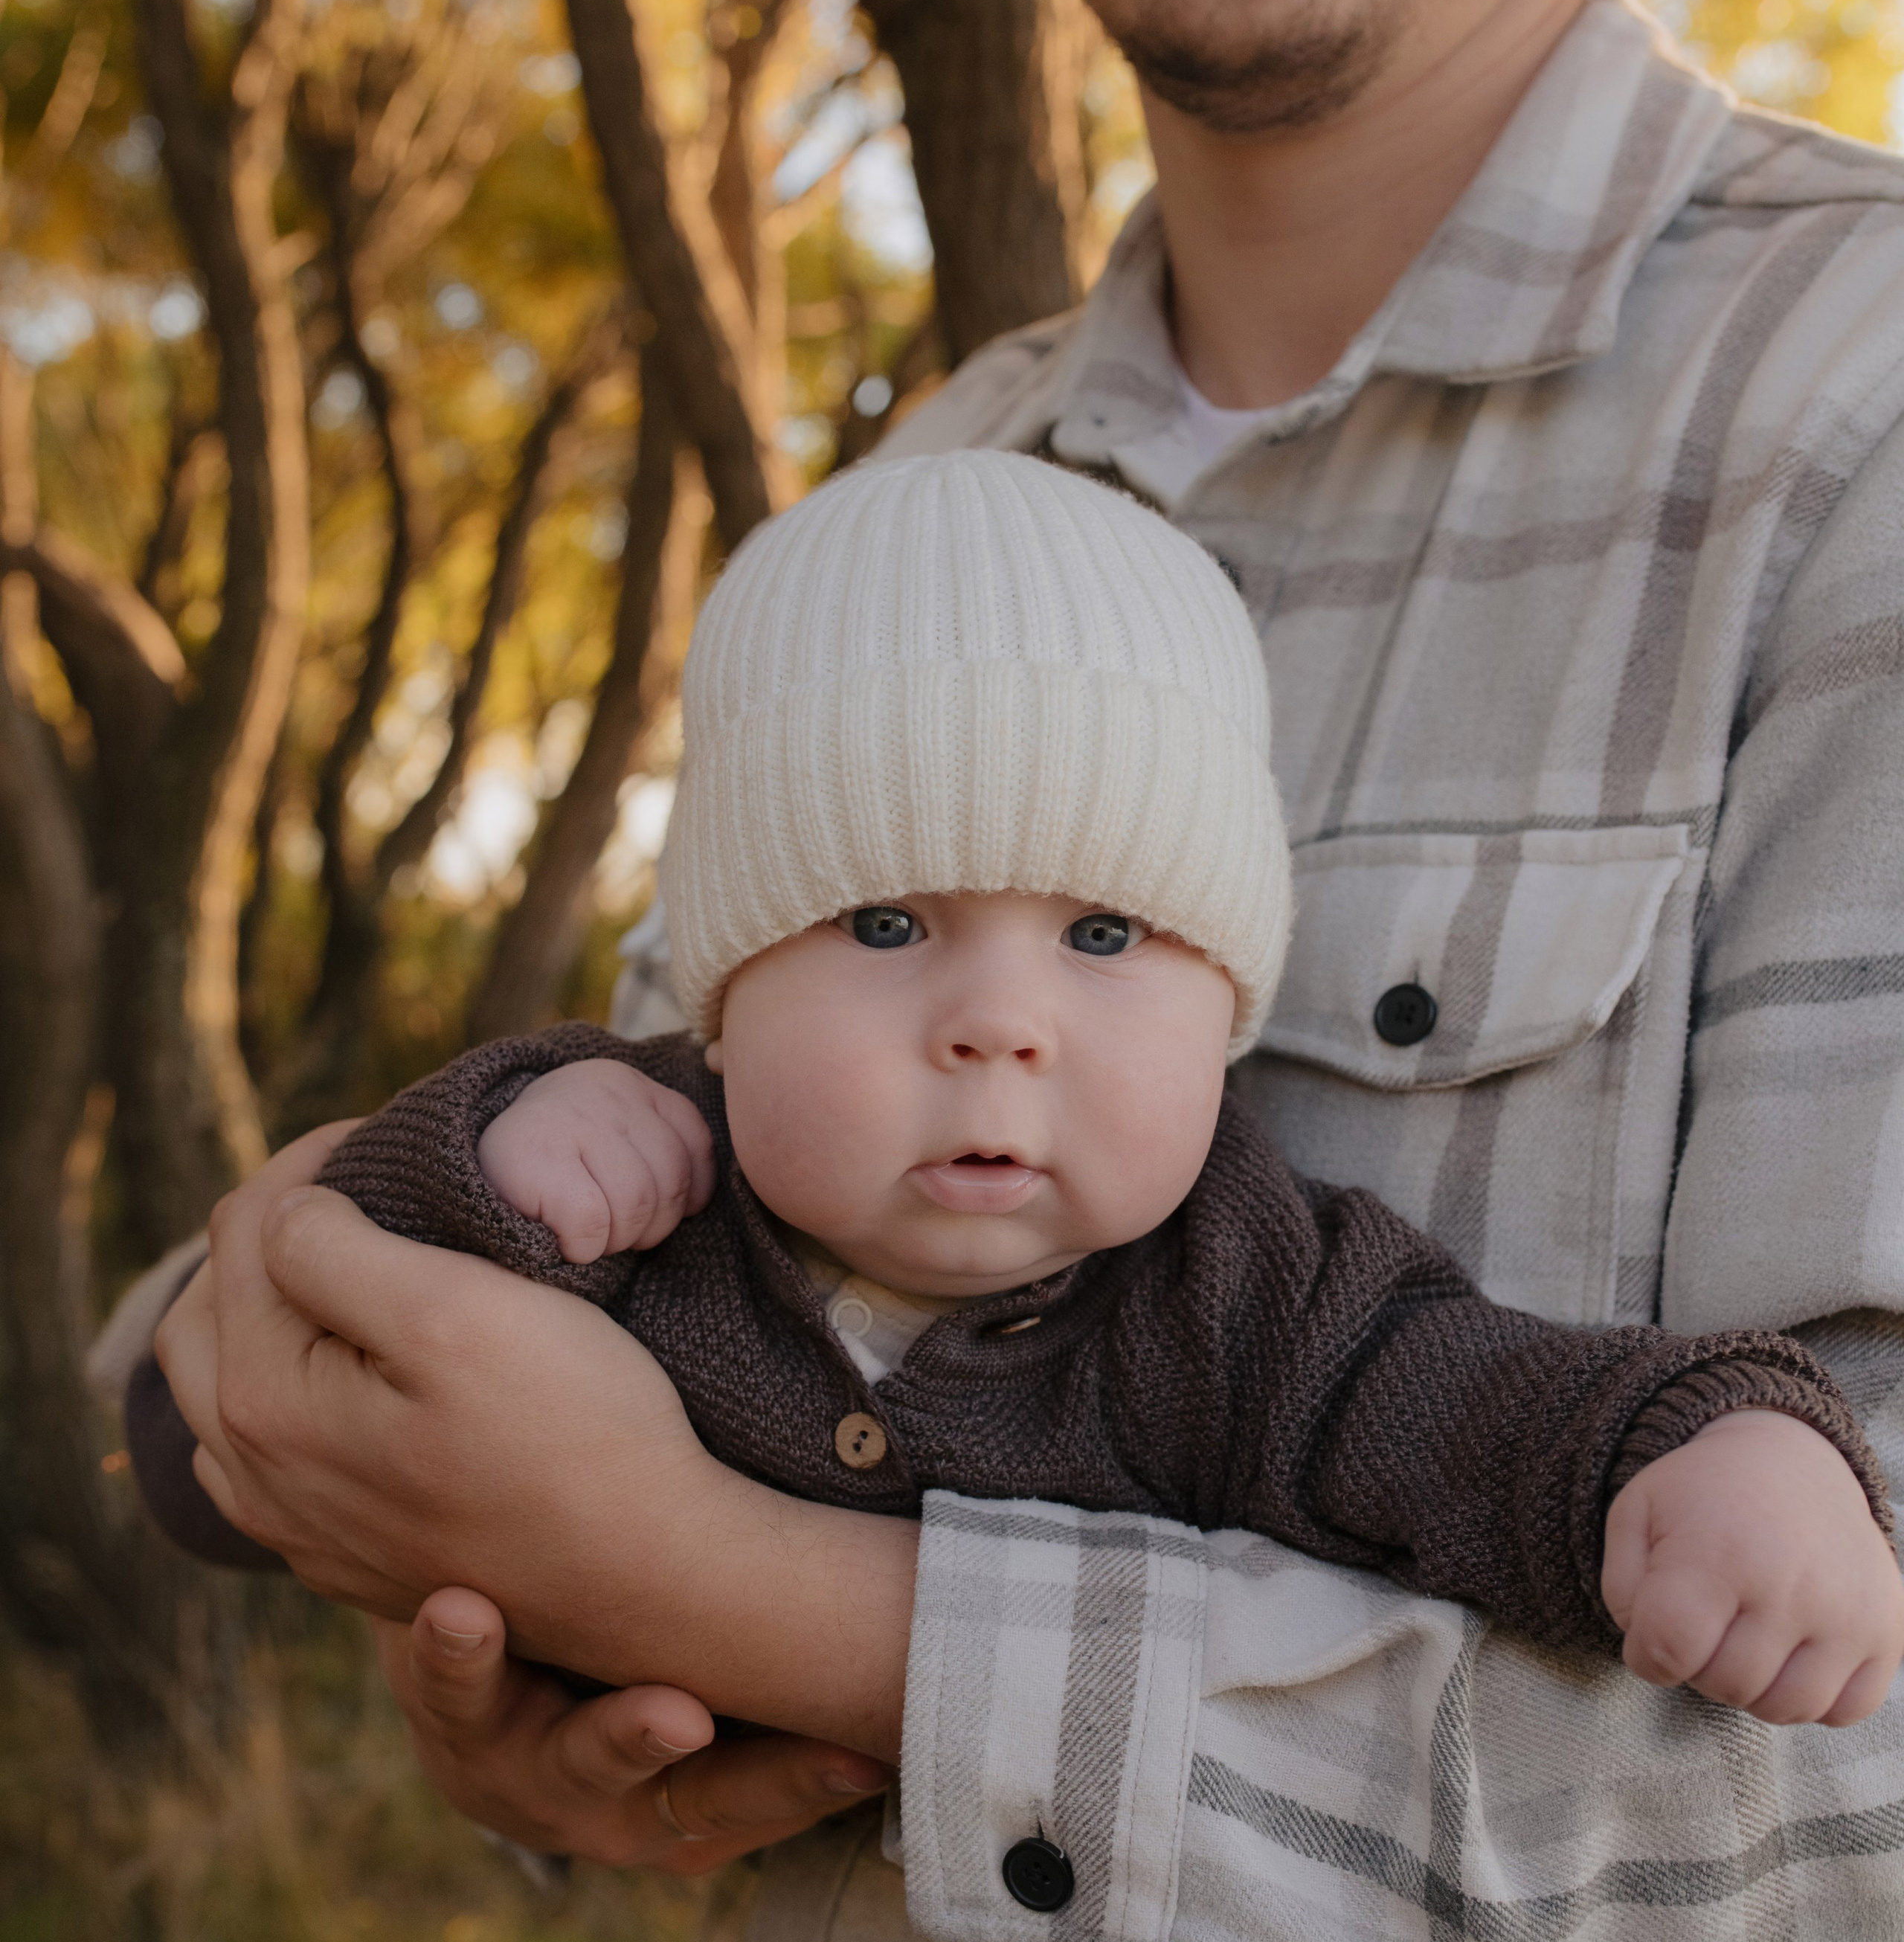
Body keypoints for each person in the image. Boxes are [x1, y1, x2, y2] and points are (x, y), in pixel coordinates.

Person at [152, 0, 1904, 1942]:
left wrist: (756, 1593)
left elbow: (1853, 1755)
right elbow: (626, 1237)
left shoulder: (1865, 422)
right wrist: (525, 1623)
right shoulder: (914, 489)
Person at [134, 451, 1898, 1715]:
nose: (997, 1023)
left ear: (1225, 1013)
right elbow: (287, 1372)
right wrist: (486, 1148)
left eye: (1104, 934)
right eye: (885, 922)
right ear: (724, 1002)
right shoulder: (644, 1169)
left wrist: (1704, 1445)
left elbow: (1480, 1412)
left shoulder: (1250, 1300)